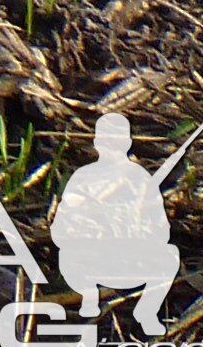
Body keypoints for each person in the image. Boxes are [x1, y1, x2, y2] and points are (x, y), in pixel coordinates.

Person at [52, 112, 182, 334]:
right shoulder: (84, 178)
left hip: (129, 258)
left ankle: (146, 312)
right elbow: (60, 231)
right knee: (68, 255)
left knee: (170, 255)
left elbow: (162, 231)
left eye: (117, 141)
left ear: (127, 143)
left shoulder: (140, 179)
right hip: (91, 259)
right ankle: (89, 301)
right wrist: (92, 227)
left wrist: (135, 229)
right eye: (106, 141)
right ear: (97, 143)